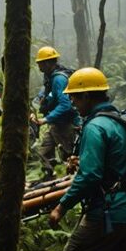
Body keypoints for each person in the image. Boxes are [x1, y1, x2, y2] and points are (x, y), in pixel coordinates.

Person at [48, 68, 126, 251]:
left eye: (74, 97)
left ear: (88, 97)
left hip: (107, 212)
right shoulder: (117, 120)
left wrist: (61, 207)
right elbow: (113, 164)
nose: (72, 103)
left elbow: (90, 176)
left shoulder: (94, 126)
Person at [32, 46, 79, 181]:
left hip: (67, 125)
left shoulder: (59, 79)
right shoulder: (50, 77)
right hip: (56, 125)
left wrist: (45, 119)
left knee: (70, 157)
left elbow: (65, 105)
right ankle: (50, 179)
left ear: (48, 63)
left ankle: (72, 184)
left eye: (40, 63)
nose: (39, 66)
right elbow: (44, 94)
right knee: (43, 153)